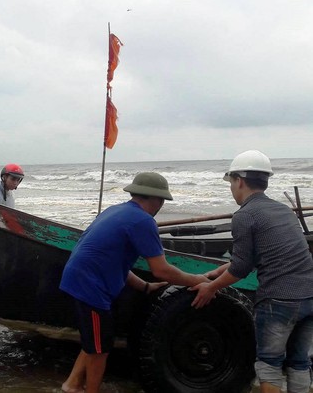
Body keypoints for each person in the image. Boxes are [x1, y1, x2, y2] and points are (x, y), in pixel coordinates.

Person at [58, 172, 210, 393]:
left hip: (80, 277)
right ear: (155, 199)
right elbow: (160, 269)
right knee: (101, 349)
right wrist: (196, 279)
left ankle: (71, 384)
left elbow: (116, 262)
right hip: (90, 284)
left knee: (95, 340)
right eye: (162, 201)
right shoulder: (143, 221)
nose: (161, 206)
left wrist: (146, 287)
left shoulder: (116, 210)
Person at [192, 150, 313, 393]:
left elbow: (241, 268)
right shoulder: (283, 211)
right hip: (310, 296)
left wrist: (210, 288)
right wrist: (215, 274)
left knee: (269, 363)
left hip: (279, 300)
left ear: (239, 180)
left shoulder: (245, 215)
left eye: (231, 183)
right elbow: (260, 256)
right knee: (299, 362)